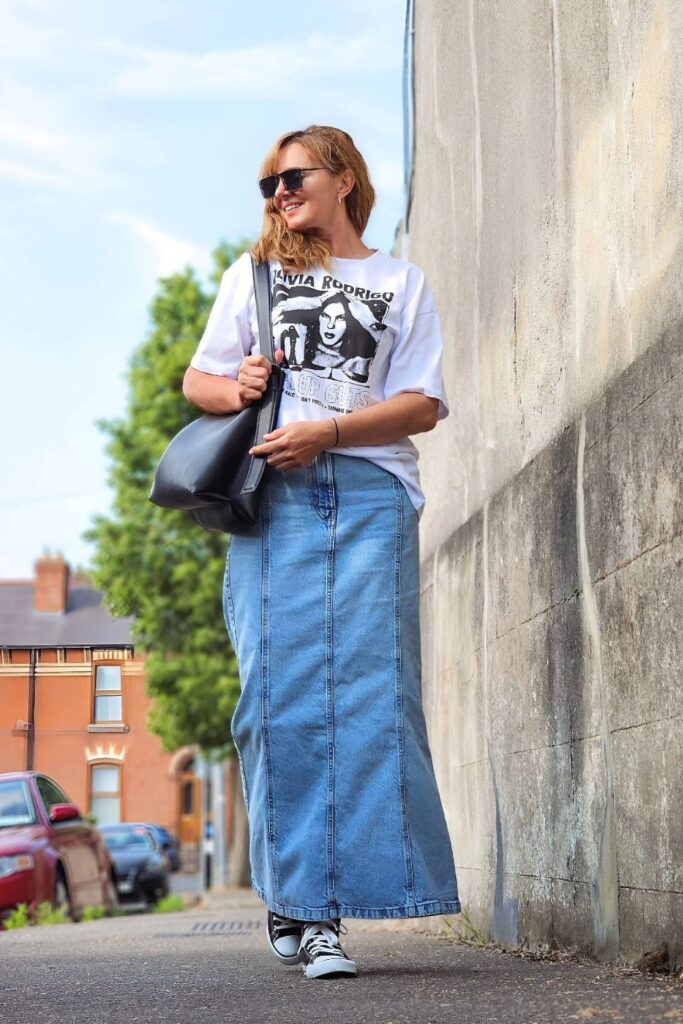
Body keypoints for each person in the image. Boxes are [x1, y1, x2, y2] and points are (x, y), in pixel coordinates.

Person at [183, 125, 460, 980]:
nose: (277, 194)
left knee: (373, 702)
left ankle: (325, 916)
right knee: (275, 699)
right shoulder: (257, 274)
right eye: (266, 183)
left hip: (371, 495)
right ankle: (296, 901)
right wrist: (241, 388)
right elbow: (201, 382)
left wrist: (329, 430)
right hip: (275, 500)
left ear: (342, 178)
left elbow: (421, 405)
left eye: (291, 176)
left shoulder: (399, 282)